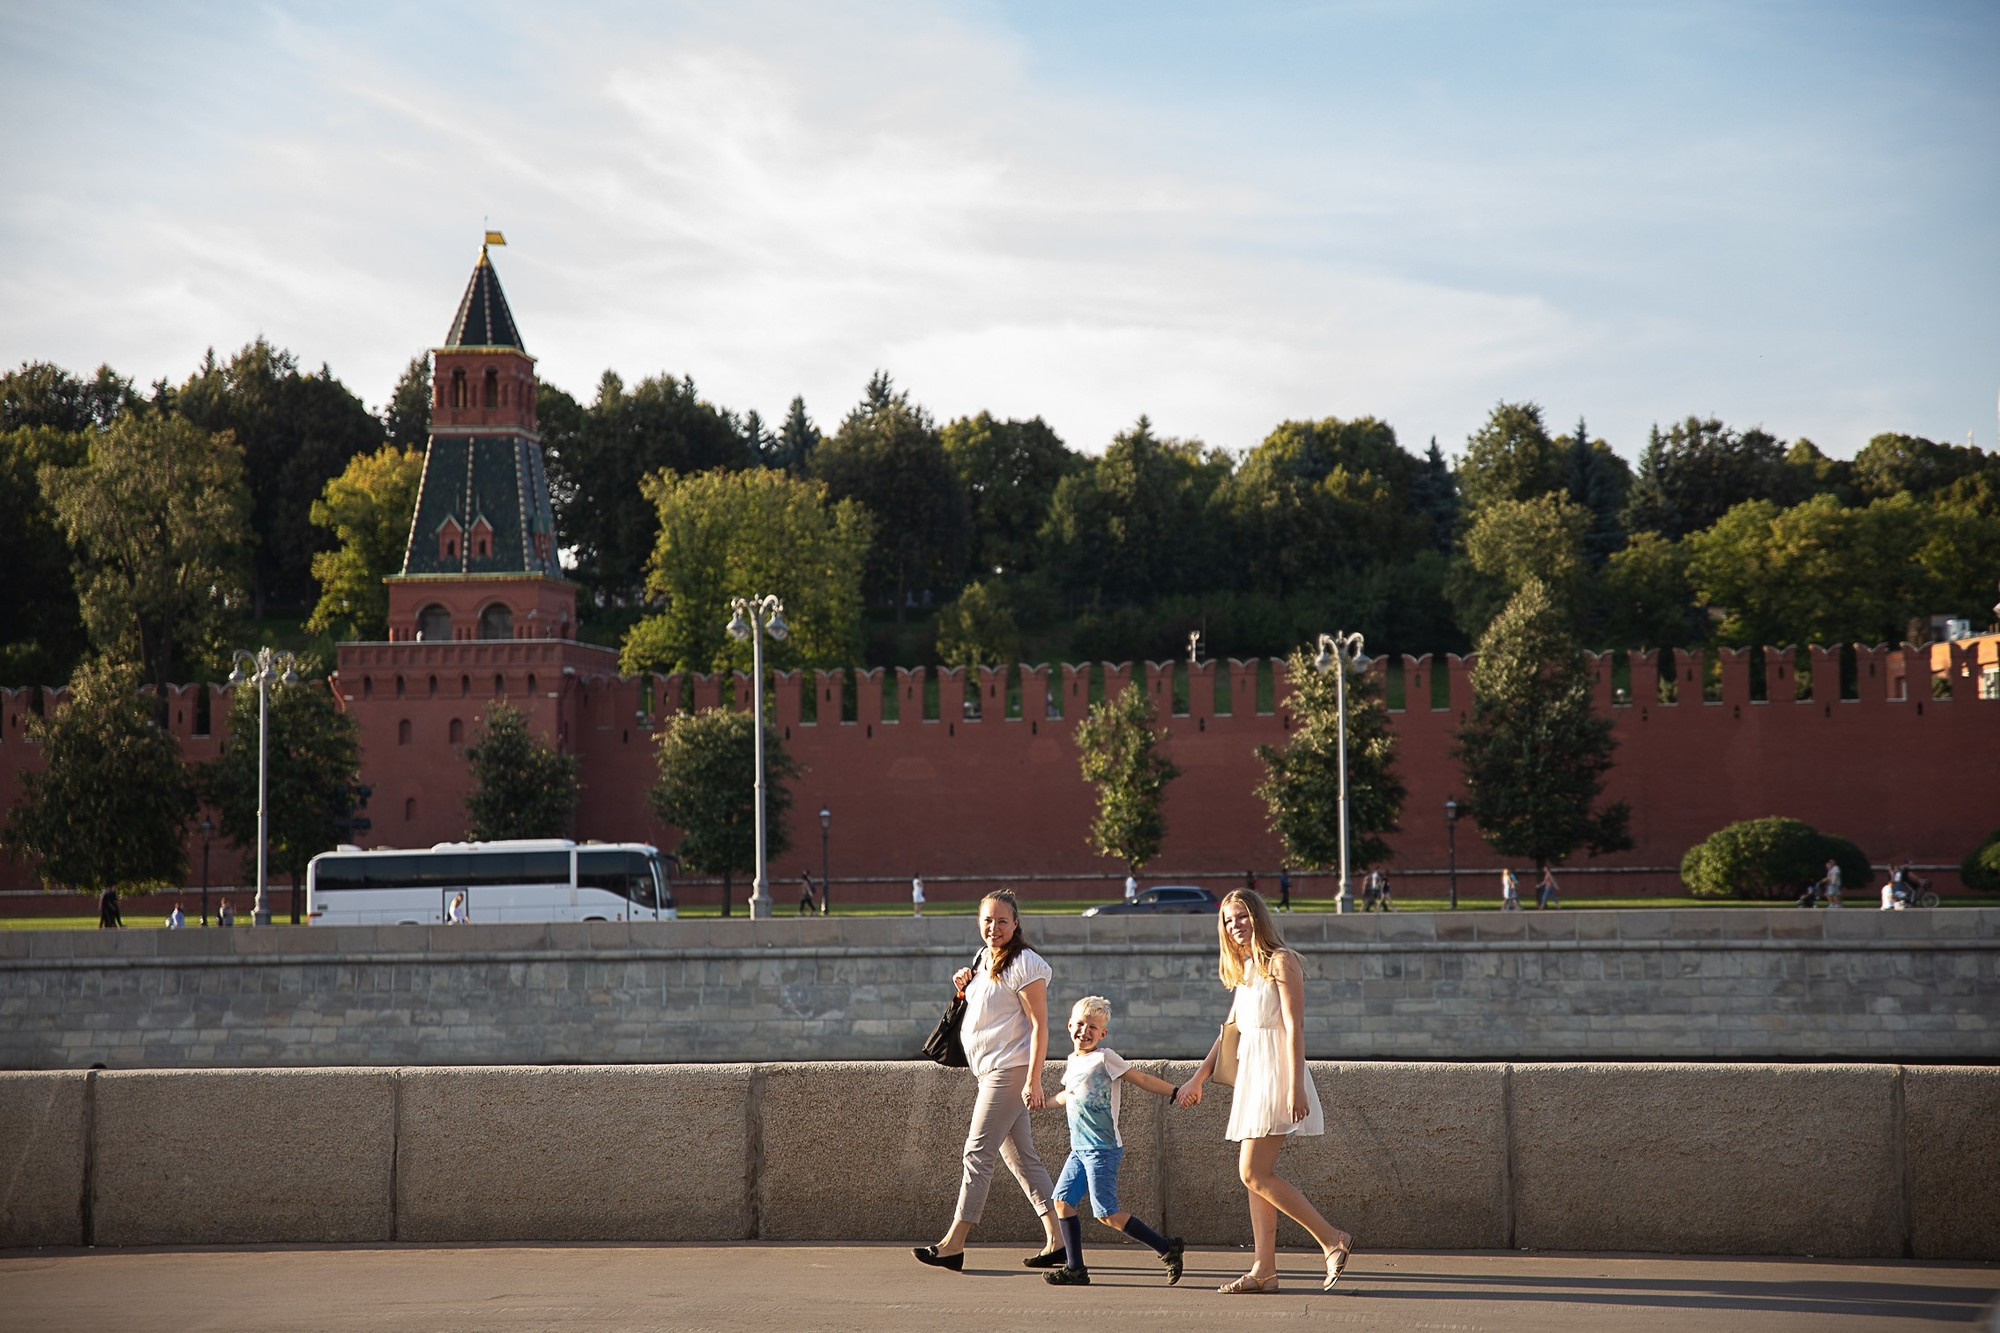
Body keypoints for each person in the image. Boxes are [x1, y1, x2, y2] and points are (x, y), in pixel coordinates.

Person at [1177, 890, 1353, 1293]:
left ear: (1257, 917)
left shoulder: (1281, 961)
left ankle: (1332, 1239)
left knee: (1252, 1172)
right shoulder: (1245, 969)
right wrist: (1197, 1078)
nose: (1234, 925)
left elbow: (1295, 1026)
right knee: (1256, 1177)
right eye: (1227, 920)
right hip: (1253, 1076)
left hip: (1277, 1073)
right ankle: (1264, 1271)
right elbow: (1229, 1035)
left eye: (1241, 916)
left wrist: (1295, 1085)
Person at [914, 891, 1063, 1273]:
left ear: (1016, 924)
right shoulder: (983, 959)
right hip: (989, 1071)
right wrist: (963, 984)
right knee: (1022, 1159)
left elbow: (1040, 1026)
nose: (993, 927)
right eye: (987, 920)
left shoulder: (1026, 963)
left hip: (1009, 1070)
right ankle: (1059, 1240)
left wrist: (1033, 1080)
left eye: (1001, 921)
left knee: (977, 1153)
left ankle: (953, 1244)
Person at [1041, 995, 1185, 1287]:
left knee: (1106, 1213)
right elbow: (1068, 1096)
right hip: (1079, 1149)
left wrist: (1174, 1091)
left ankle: (1166, 1247)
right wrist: (1043, 1103)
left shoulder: (1105, 1058)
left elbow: (1141, 1079)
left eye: (1093, 1027)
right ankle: (1075, 1269)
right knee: (1062, 1202)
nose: (1085, 1031)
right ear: (1069, 1026)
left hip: (1102, 1150)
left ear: (1103, 1034)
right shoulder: (1073, 1061)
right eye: (1080, 1024)